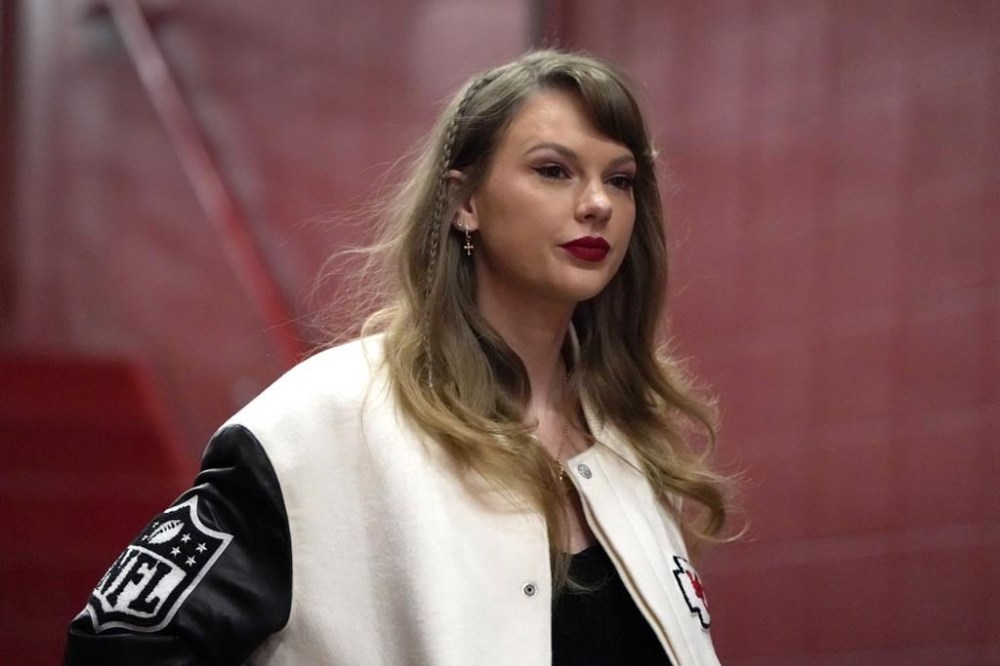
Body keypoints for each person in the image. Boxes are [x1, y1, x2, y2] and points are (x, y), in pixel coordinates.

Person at [64, 49, 732, 665]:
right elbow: (117, 645)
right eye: (553, 170)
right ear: (464, 200)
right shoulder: (328, 420)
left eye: (620, 180)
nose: (597, 204)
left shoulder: (630, 450)